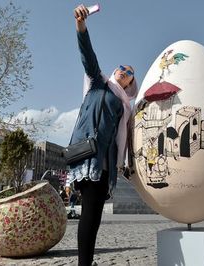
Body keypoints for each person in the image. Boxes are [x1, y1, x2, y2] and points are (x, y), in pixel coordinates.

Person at [67, 4, 138, 266]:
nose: (123, 71)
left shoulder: (126, 106)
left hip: (107, 162)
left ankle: (87, 261)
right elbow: (87, 54)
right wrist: (81, 26)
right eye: (122, 68)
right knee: (88, 213)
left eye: (129, 72)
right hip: (88, 157)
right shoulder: (99, 82)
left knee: (94, 215)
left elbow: (127, 138)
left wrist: (126, 164)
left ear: (131, 84)